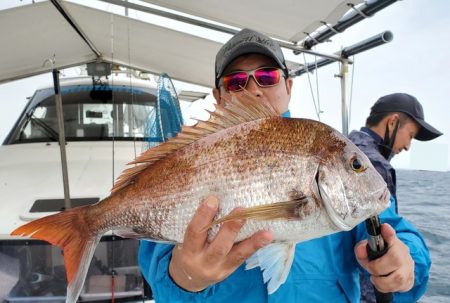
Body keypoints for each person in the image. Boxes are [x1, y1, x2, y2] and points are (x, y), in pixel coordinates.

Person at [139, 28, 431, 302]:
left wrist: (405, 264)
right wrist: (183, 280)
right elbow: (157, 262)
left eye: (267, 76)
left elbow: (396, 231)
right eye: (236, 81)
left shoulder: (326, 149)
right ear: (219, 97)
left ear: (288, 86)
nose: (253, 90)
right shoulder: (191, 155)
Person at [348, 93, 442, 302]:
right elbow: (380, 237)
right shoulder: (373, 164)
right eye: (410, 135)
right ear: (393, 122)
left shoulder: (351, 148)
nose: (408, 146)